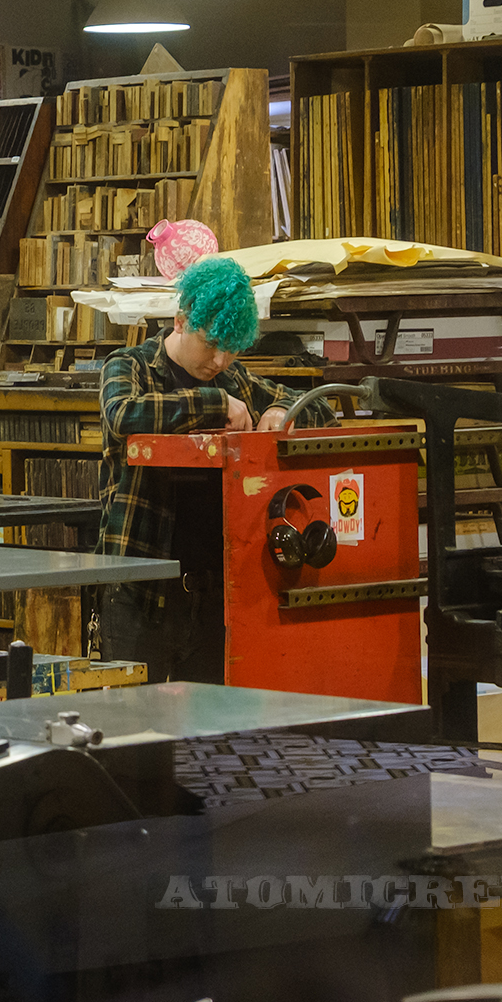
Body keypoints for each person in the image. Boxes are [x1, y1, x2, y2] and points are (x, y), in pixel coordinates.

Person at [96, 255, 298, 683]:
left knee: (207, 731)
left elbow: (315, 406)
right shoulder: (129, 366)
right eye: (211, 344)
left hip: (213, 592)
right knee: (134, 726)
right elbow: (124, 416)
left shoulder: (234, 378)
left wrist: (280, 412)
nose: (220, 360)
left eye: (232, 348)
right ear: (181, 320)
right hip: (139, 586)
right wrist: (215, 404)